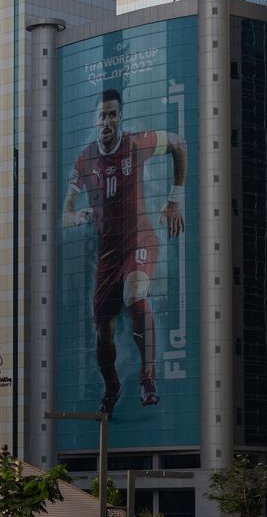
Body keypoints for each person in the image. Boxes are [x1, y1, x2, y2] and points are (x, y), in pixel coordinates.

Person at [62, 88, 186, 416]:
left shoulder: (136, 144)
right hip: (108, 257)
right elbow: (65, 213)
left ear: (120, 117)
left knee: (135, 294)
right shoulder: (85, 159)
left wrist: (175, 197)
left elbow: (178, 143)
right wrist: (76, 216)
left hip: (139, 241)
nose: (107, 121)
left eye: (113, 114)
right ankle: (112, 387)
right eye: (102, 115)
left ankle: (148, 380)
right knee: (103, 334)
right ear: (94, 120)